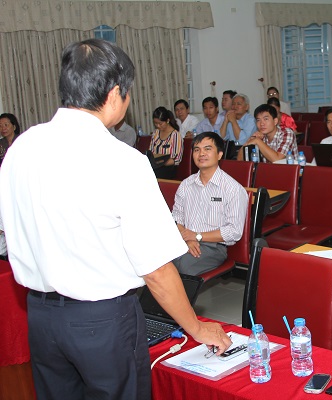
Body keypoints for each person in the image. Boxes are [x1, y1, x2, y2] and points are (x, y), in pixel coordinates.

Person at [0, 38, 231, 400]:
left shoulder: (22, 148)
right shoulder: (123, 161)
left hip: (42, 318)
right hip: (103, 323)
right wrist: (197, 328)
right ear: (114, 94)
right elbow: (156, 270)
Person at [172, 132, 248, 275]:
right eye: (197, 150)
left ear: (219, 154)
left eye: (207, 149)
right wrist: (187, 238)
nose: (201, 154)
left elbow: (234, 231)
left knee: (182, 266)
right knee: (153, 257)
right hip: (184, 239)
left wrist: (197, 236)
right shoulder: (186, 185)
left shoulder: (233, 189)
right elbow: (176, 218)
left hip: (213, 247)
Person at [149, 106, 183, 179]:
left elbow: (176, 159)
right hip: (156, 166)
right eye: (155, 123)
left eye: (160, 123)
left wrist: (161, 163)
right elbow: (151, 152)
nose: (158, 126)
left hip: (168, 168)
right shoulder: (156, 133)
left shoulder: (175, 135)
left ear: (167, 120)